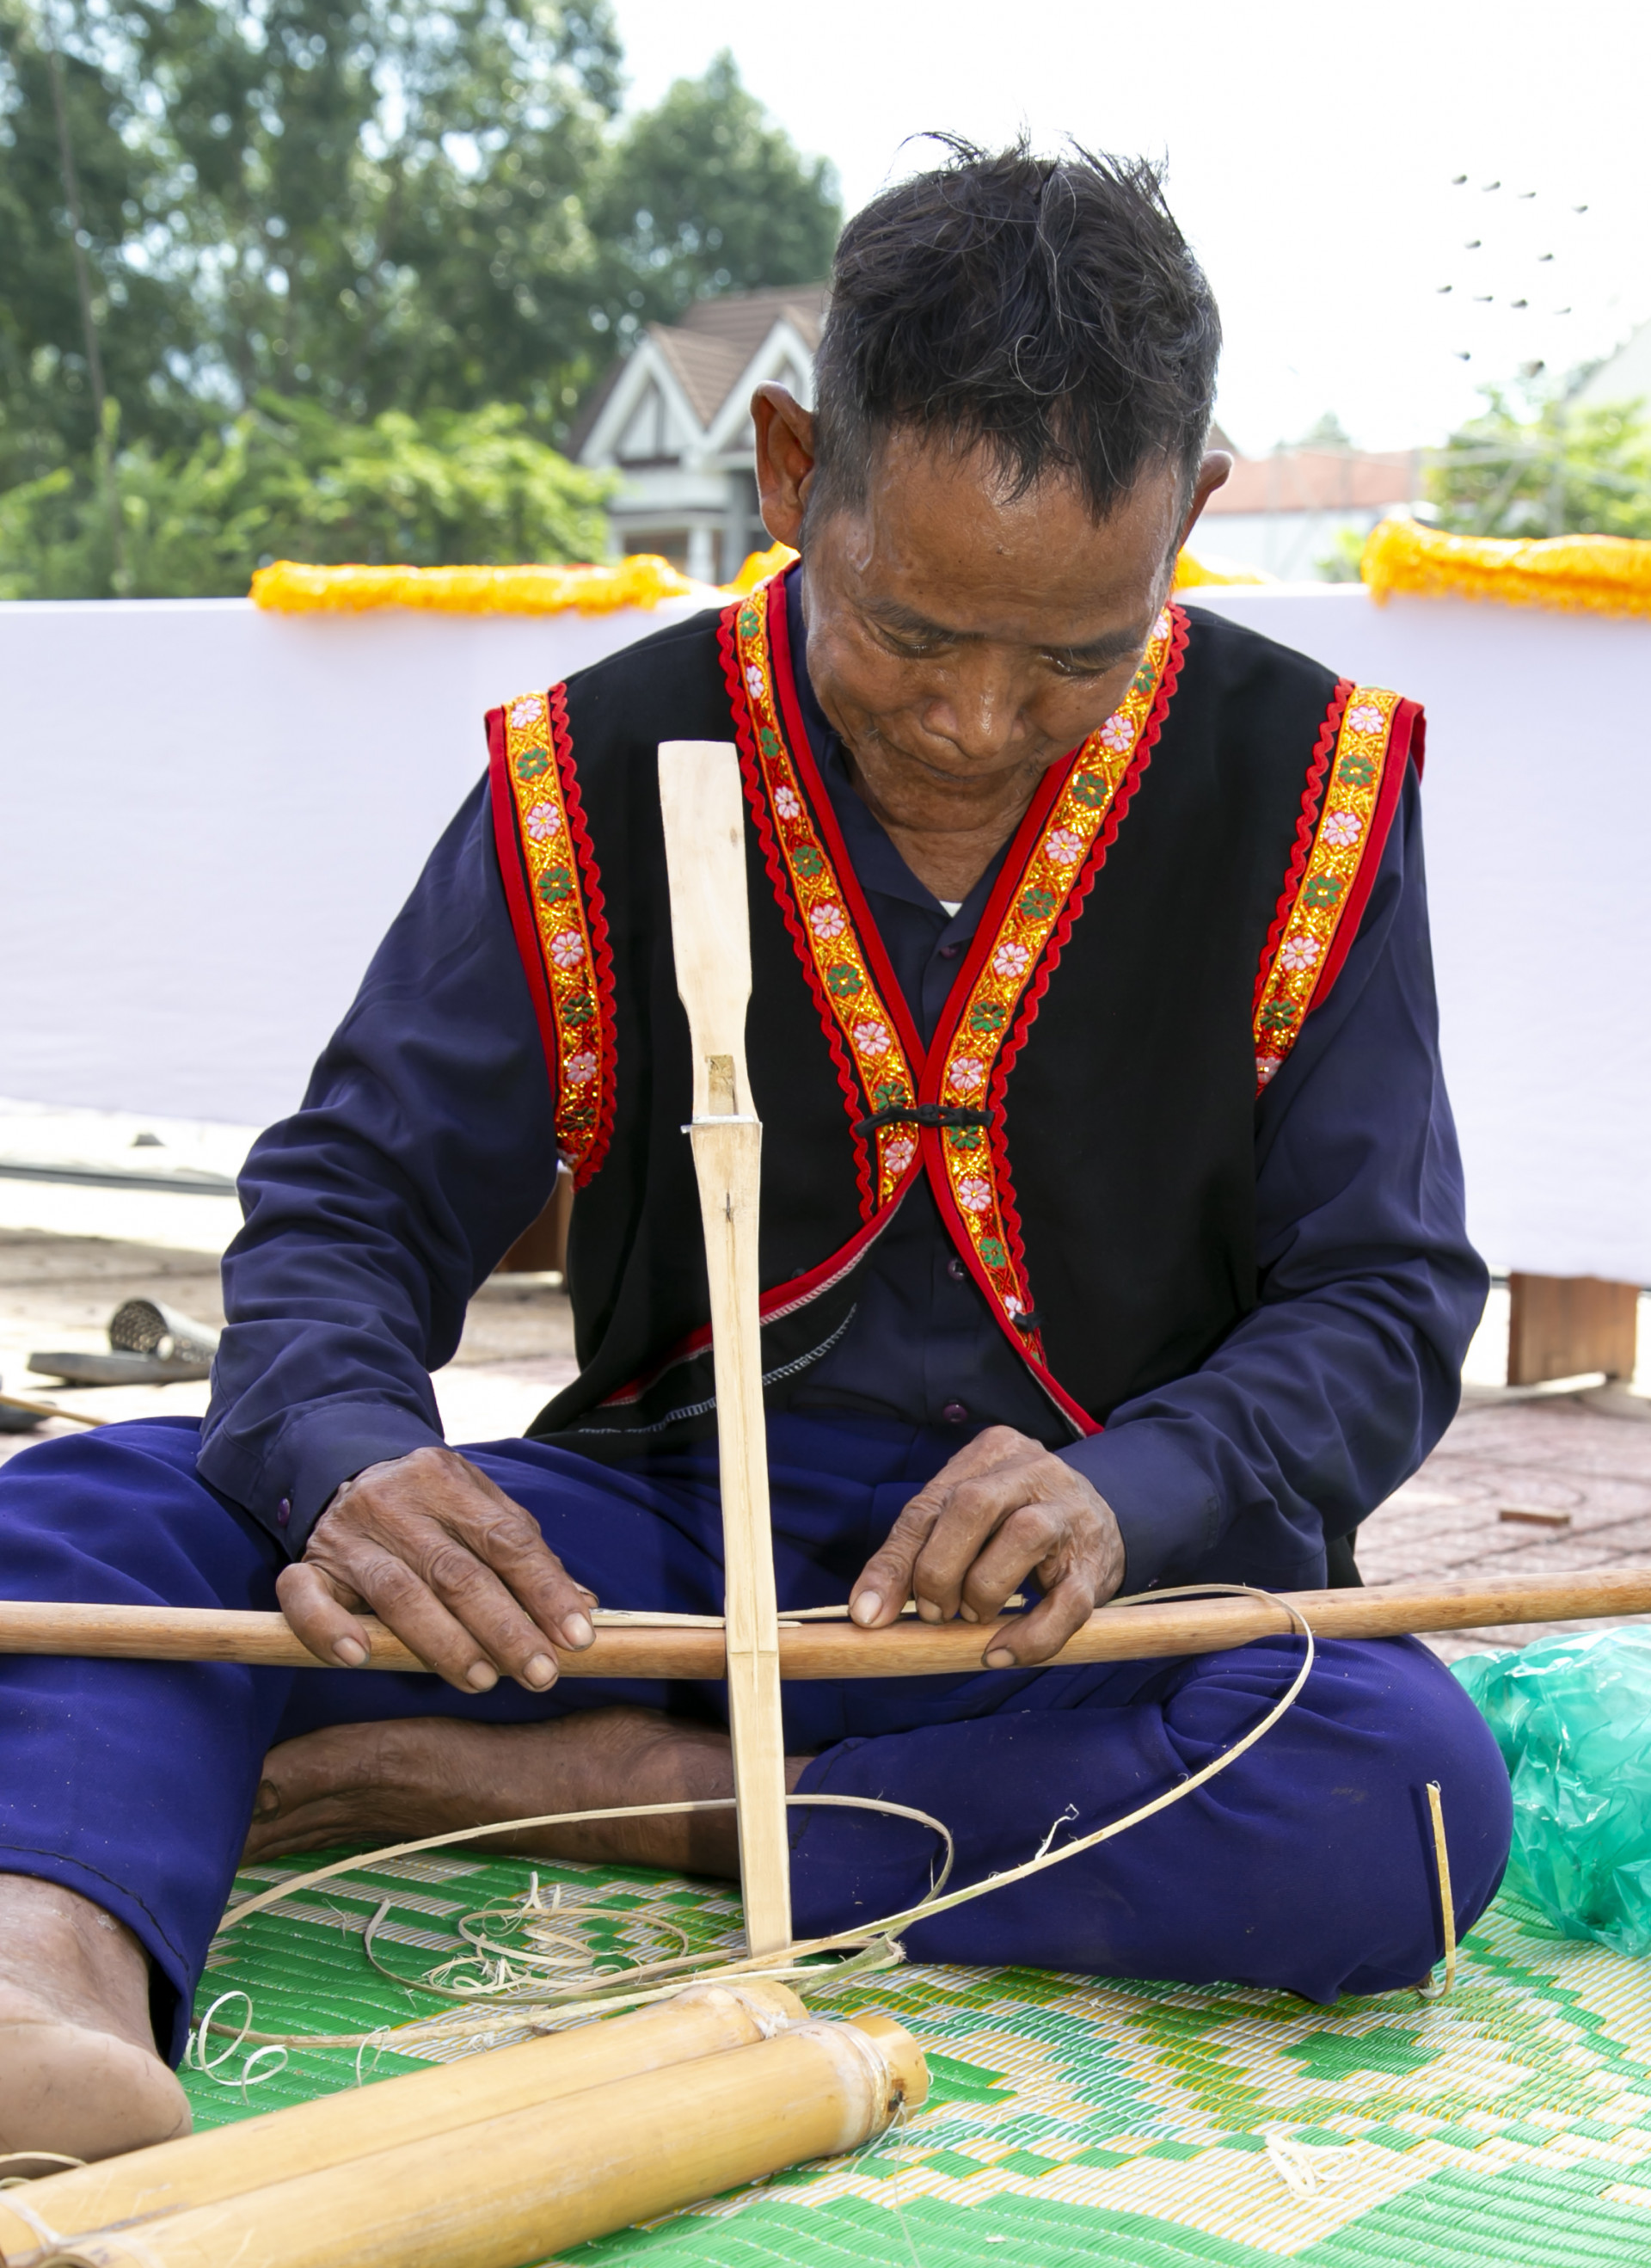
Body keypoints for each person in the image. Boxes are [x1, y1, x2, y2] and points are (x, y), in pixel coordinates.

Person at [0, 143, 1511, 2164]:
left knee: (1397, 1790)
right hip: (657, 1549)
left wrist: (1136, 1488)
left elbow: (1386, 1291)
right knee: (100, 1530)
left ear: (1197, 520)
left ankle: (597, 1790)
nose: (980, 723)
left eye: (1077, 656)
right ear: (794, 472)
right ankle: (51, 1988)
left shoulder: (1312, 779)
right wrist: (360, 1461)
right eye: (912, 633)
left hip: (1063, 1614)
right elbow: (354, 1196)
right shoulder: (597, 759)